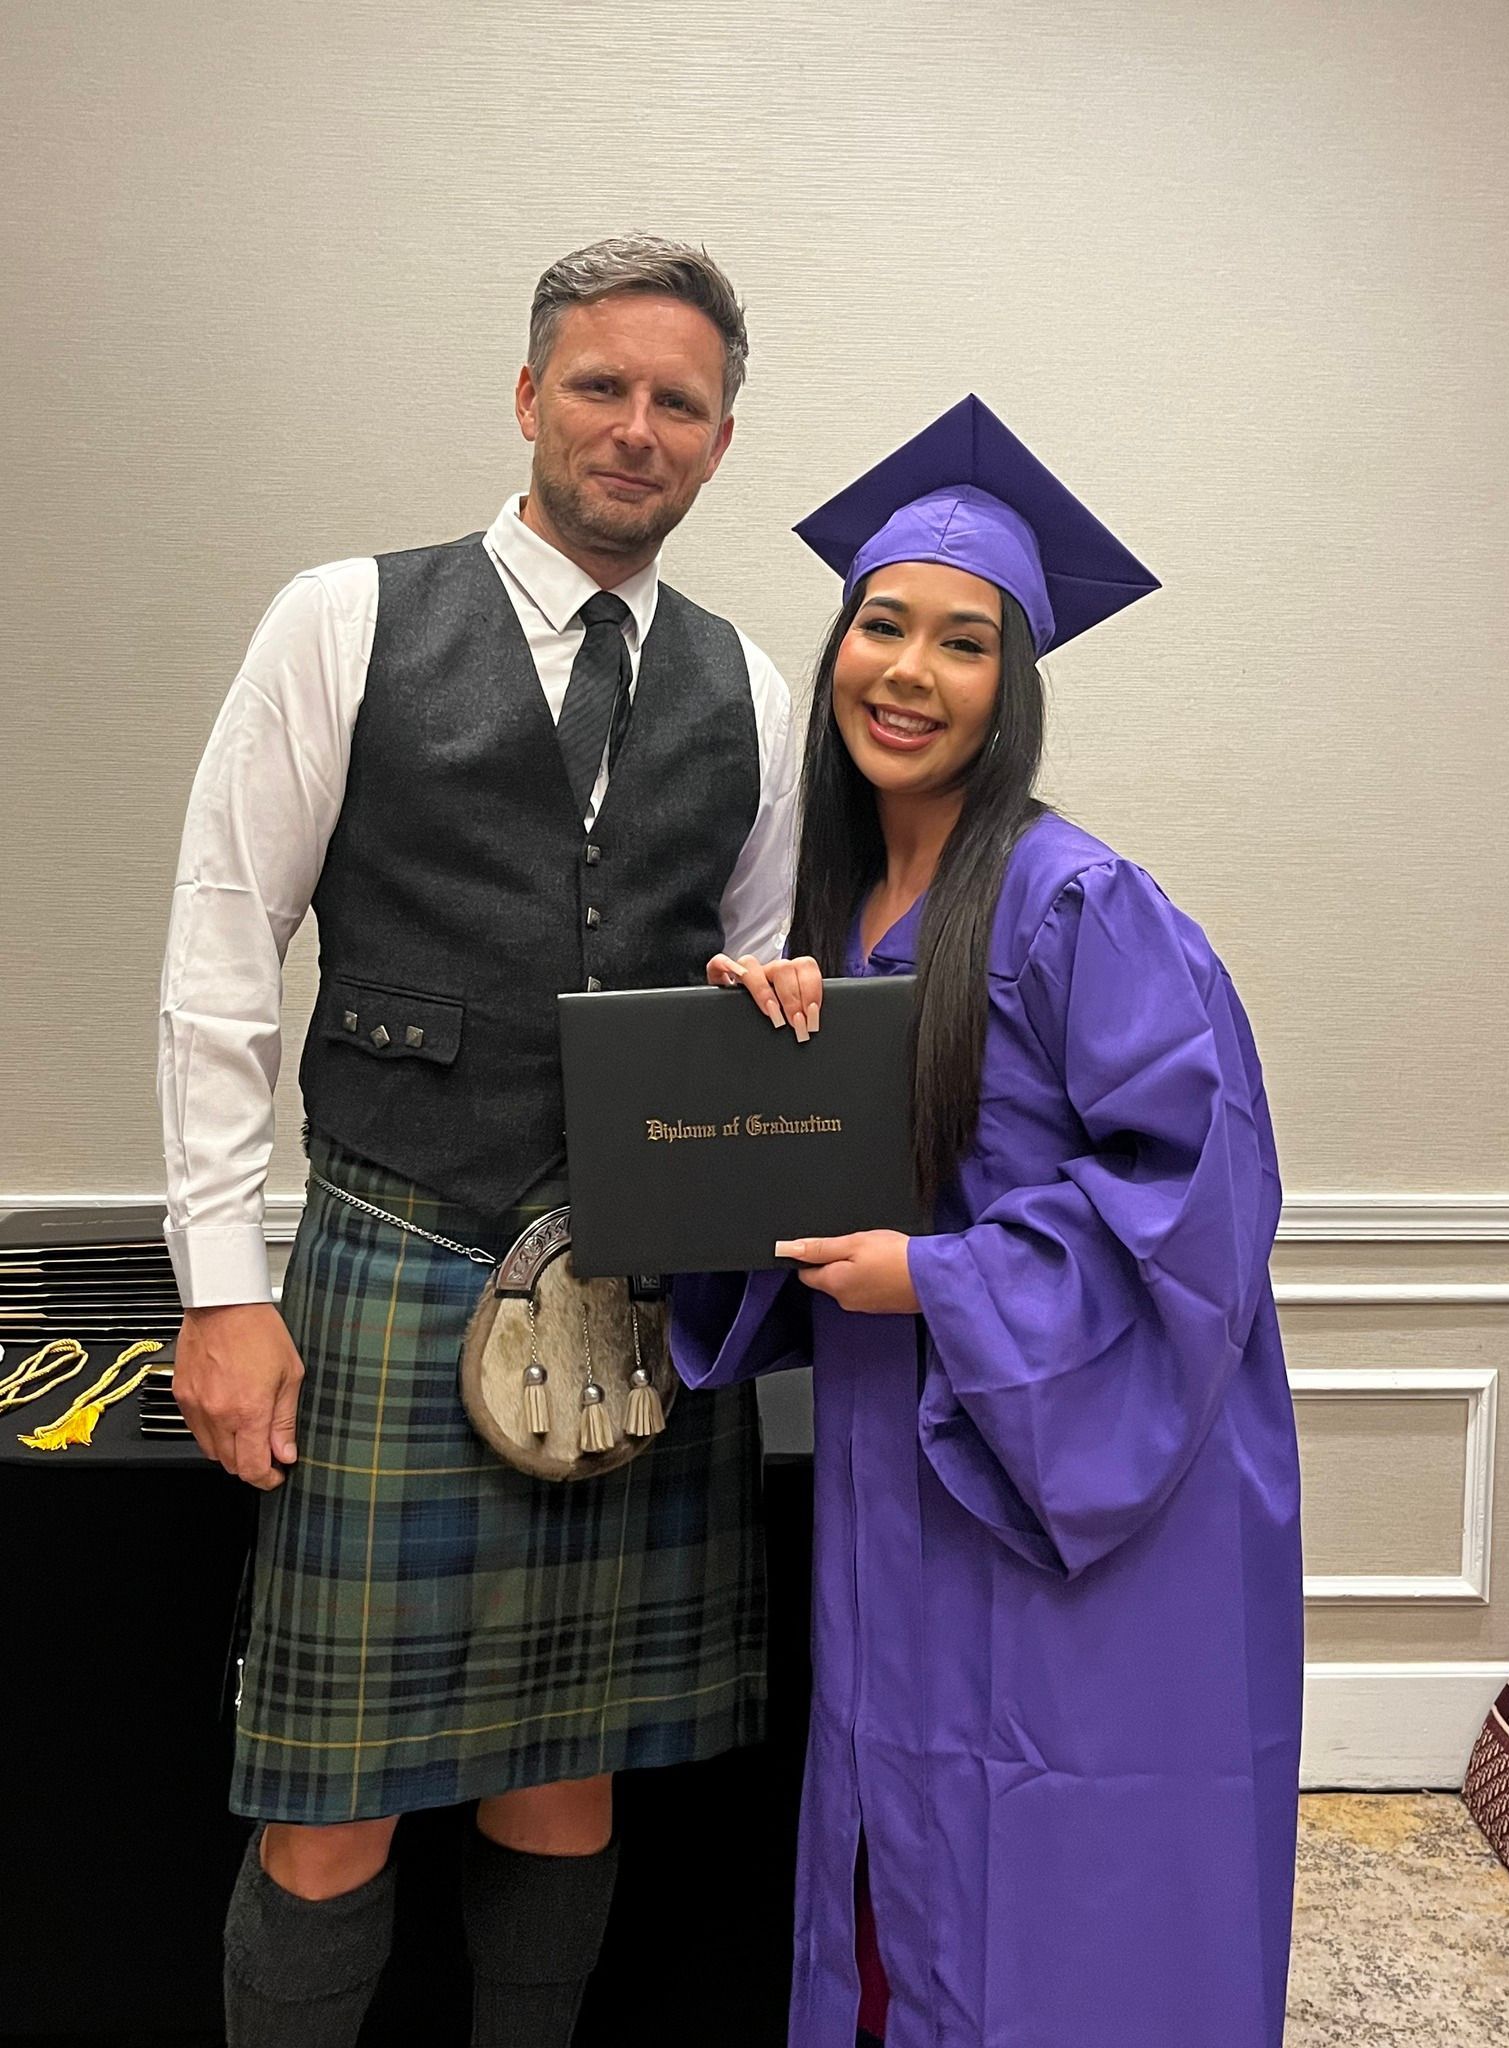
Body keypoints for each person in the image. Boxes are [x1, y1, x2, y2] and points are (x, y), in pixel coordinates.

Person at [157, 232, 798, 2048]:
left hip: (631, 1297)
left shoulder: (749, 693)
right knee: (327, 1803)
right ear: (528, 399)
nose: (636, 426)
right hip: (389, 1256)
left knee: (570, 1775)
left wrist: (787, 1036)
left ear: (721, 441)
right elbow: (220, 953)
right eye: (601, 385)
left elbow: (746, 987)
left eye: (680, 401)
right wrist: (221, 1287)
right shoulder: (342, 617)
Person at [672, 396, 1304, 2048]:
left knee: (1064, 1848)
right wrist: (744, 1072)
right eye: (882, 626)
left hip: (1068, 1457)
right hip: (909, 1450)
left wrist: (937, 1281)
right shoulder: (832, 908)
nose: (910, 671)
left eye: (965, 644)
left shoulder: (1078, 902)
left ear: (1010, 691)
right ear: (836, 654)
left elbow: (1199, 1201)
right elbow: (792, 1209)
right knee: (901, 1820)